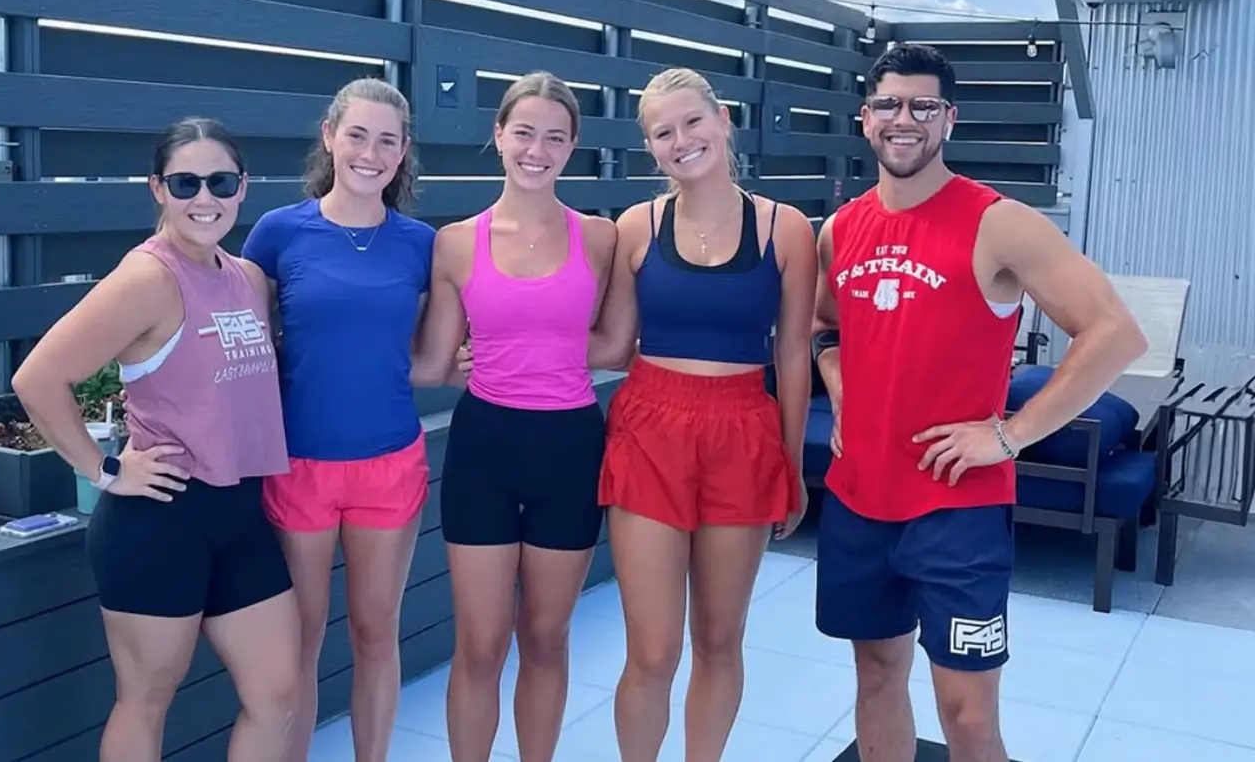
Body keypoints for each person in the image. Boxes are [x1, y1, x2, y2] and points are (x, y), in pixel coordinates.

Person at [811, 43, 1146, 762]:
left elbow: (1115, 333)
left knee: (966, 716)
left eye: (923, 105)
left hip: (957, 506)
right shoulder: (840, 229)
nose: (904, 119)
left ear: (949, 118)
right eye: (888, 104)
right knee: (876, 674)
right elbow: (825, 329)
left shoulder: (998, 222)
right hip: (859, 495)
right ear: (865, 118)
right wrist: (842, 393)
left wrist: (1010, 434)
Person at [12, 117, 301, 762]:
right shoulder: (148, 278)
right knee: (145, 701)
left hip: (239, 512)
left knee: (277, 693)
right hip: (160, 518)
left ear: (243, 187)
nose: (205, 198)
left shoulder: (247, 277)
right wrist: (104, 469)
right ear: (157, 189)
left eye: (220, 181)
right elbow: (37, 379)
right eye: (185, 183)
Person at [587, 67, 817, 761]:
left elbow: (794, 356)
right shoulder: (637, 226)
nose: (682, 140)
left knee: (719, 639)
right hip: (651, 428)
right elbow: (612, 344)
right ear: (650, 147)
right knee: (652, 649)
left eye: (693, 121)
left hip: (744, 431)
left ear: (723, 121)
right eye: (664, 132)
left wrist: (791, 464)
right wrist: (507, 341)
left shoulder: (785, 228)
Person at [411, 71, 617, 762]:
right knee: (480, 643)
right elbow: (435, 361)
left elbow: (615, 343)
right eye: (524, 132)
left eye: (555, 137)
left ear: (572, 147)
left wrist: (538, 349)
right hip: (485, 447)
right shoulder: (456, 242)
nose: (537, 149)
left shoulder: (599, 238)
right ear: (498, 135)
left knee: (547, 637)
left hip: (570, 447)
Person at [240, 77, 438, 762]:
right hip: (299, 464)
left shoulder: (421, 245)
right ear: (329, 136)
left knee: (376, 634)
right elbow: (240, 346)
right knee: (299, 640)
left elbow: (429, 354)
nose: (369, 153)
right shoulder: (277, 233)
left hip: (390, 463)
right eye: (357, 135)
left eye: (387, 141)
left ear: (403, 151)